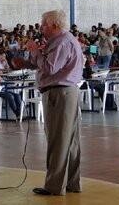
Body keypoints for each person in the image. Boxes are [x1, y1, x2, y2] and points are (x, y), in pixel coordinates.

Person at [12, 10, 83, 195]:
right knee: (69, 141)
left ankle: (54, 186)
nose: (40, 27)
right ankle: (71, 183)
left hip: (59, 93)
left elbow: (50, 68)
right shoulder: (61, 41)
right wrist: (27, 63)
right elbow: (48, 63)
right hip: (64, 92)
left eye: (43, 24)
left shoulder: (62, 42)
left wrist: (35, 51)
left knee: (58, 140)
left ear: (54, 25)